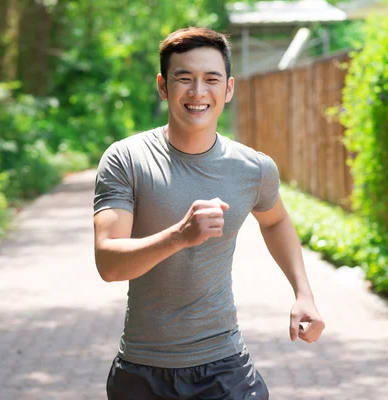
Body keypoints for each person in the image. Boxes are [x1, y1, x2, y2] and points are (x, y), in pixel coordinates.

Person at [93, 26, 325, 400]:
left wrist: (303, 293)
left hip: (224, 366)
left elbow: (276, 219)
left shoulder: (254, 168)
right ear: (163, 86)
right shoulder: (127, 160)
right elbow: (109, 263)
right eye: (184, 79)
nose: (198, 92)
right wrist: (179, 235)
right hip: (142, 369)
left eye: (211, 80)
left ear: (228, 89)